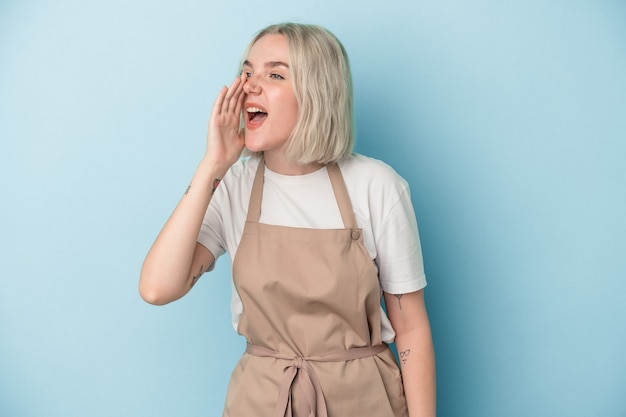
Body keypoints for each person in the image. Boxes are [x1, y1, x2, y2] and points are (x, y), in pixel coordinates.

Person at [139, 22, 436, 417]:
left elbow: (411, 327)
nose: (249, 85)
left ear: (317, 94)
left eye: (274, 74)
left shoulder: (376, 186)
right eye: (247, 72)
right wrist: (213, 164)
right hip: (260, 402)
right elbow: (157, 288)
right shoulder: (232, 185)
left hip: (364, 402)